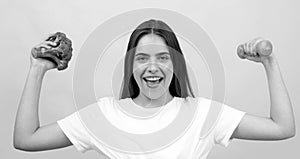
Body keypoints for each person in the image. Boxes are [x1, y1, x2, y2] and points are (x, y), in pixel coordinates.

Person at [13, 19, 295, 159]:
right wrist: (37, 70)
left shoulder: (202, 113)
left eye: (163, 58)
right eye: (142, 58)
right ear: (130, 65)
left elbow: (282, 128)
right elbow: (26, 139)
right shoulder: (104, 113)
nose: (152, 67)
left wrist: (269, 63)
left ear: (176, 64)